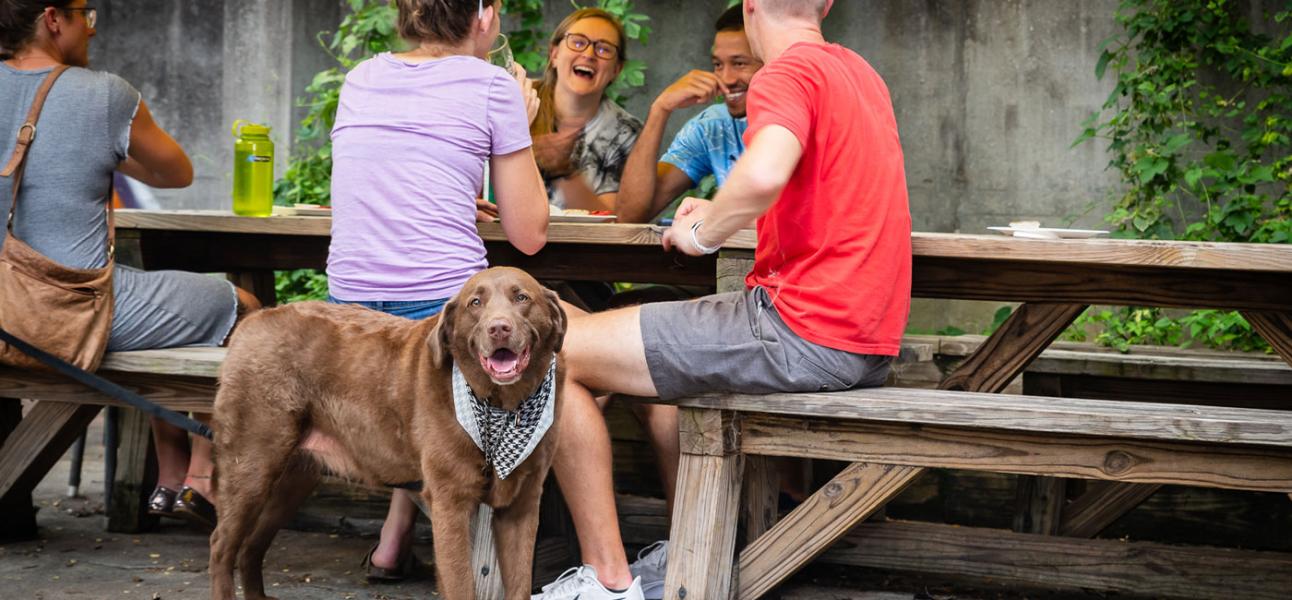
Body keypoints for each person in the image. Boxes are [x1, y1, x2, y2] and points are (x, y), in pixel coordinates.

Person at [531, 1, 912, 599]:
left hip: (796, 331)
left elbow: (763, 174)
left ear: (752, 4)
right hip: (865, 342)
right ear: (827, 4)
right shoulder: (860, 73)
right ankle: (683, 550)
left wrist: (701, 232)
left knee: (555, 352)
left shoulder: (787, 70)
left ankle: (608, 581)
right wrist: (716, 208)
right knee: (583, 327)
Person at [0, 0, 261, 531]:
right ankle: (201, 477)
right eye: (84, 14)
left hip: (5, 313)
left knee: (153, 301)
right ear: (53, 19)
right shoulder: (103, 94)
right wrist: (104, 148)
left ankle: (170, 477)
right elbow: (175, 173)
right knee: (241, 308)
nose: (91, 29)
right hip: (63, 314)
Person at [322, 0, 548, 582]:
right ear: (484, 15)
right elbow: (529, 235)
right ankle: (601, 568)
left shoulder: (361, 77)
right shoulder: (493, 86)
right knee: (564, 369)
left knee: (425, 396)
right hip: (438, 321)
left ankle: (393, 536)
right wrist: (519, 123)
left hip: (351, 318)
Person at [616, 4, 762, 224]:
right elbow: (629, 216)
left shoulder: (804, 116)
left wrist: (715, 214)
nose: (726, 79)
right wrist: (660, 109)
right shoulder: (712, 126)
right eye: (718, 64)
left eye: (739, 63)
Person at [528, 8, 641, 213]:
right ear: (554, 54)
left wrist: (564, 172)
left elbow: (610, 220)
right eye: (578, 42)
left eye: (604, 49)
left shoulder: (626, 132)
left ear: (617, 69)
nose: (589, 55)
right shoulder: (518, 99)